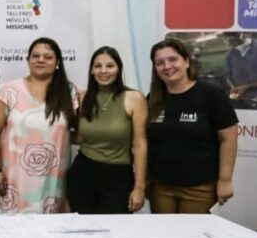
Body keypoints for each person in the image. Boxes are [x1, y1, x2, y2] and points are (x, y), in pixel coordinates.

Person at [0, 37, 78, 214]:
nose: (40, 60)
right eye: (35, 56)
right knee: (10, 233)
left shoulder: (70, 91)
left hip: (54, 182)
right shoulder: (10, 90)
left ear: (57, 62)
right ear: (28, 60)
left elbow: (81, 131)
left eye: (47, 57)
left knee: (50, 233)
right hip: (13, 179)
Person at [147, 38, 238, 214]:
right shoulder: (153, 99)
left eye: (173, 59)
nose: (167, 66)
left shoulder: (211, 95)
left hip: (200, 189)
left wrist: (225, 180)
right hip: (161, 188)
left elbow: (229, 138)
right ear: (156, 69)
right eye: (160, 63)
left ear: (186, 61)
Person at [67, 46, 148, 214]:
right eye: (98, 66)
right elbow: (79, 136)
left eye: (110, 66)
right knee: (82, 231)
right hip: (83, 173)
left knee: (116, 232)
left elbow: (140, 145)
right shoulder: (82, 97)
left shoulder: (134, 98)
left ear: (119, 69)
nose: (103, 71)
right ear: (91, 70)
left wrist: (139, 188)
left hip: (118, 176)